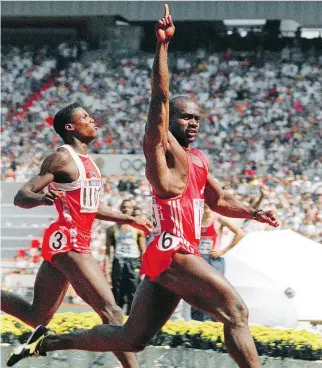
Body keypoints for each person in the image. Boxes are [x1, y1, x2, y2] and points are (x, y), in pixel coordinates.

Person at [7, 6, 279, 368]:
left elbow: (221, 199)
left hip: (166, 254)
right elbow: (159, 97)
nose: (193, 123)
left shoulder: (197, 159)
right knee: (235, 312)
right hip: (171, 250)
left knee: (131, 336)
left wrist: (251, 212)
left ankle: (46, 343)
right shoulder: (160, 149)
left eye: (198, 118)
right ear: (170, 122)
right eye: (186, 116)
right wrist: (162, 46)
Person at [4, 102, 152, 368]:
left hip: (71, 241)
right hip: (70, 241)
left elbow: (91, 208)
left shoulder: (89, 161)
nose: (92, 120)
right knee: (112, 312)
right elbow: (21, 196)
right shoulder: (61, 158)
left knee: (36, 315)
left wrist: (130, 218)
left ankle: (39, 342)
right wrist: (41, 198)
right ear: (70, 127)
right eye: (85, 117)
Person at [191, 203, 245, 321]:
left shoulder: (218, 219)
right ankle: (197, 321)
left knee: (214, 291)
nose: (206, 207)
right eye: (204, 205)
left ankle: (214, 319)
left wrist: (223, 250)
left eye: (208, 205)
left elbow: (240, 233)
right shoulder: (195, 219)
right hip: (198, 259)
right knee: (196, 290)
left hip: (212, 259)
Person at [105, 199, 146, 314]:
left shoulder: (138, 230)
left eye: (128, 207)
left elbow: (143, 251)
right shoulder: (111, 229)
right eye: (124, 207)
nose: (126, 209)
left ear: (131, 210)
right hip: (119, 262)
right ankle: (117, 323)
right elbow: (107, 253)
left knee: (134, 293)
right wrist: (107, 272)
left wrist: (145, 270)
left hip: (133, 263)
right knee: (118, 294)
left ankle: (132, 321)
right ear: (120, 208)